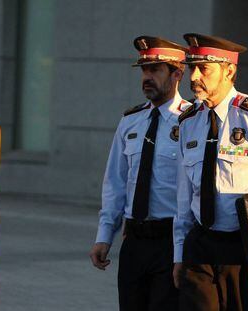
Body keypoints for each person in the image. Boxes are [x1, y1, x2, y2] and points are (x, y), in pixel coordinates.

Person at [173, 33, 248, 310]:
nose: (194, 76)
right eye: (192, 67)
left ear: (229, 71)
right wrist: (178, 254)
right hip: (201, 247)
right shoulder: (189, 122)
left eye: (204, 68)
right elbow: (184, 197)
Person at [89, 36, 191, 310]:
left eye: (155, 70)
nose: (147, 77)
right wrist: (104, 235)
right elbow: (115, 182)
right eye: (145, 70)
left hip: (172, 241)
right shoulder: (130, 121)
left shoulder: (193, 121)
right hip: (134, 242)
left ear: (177, 74)